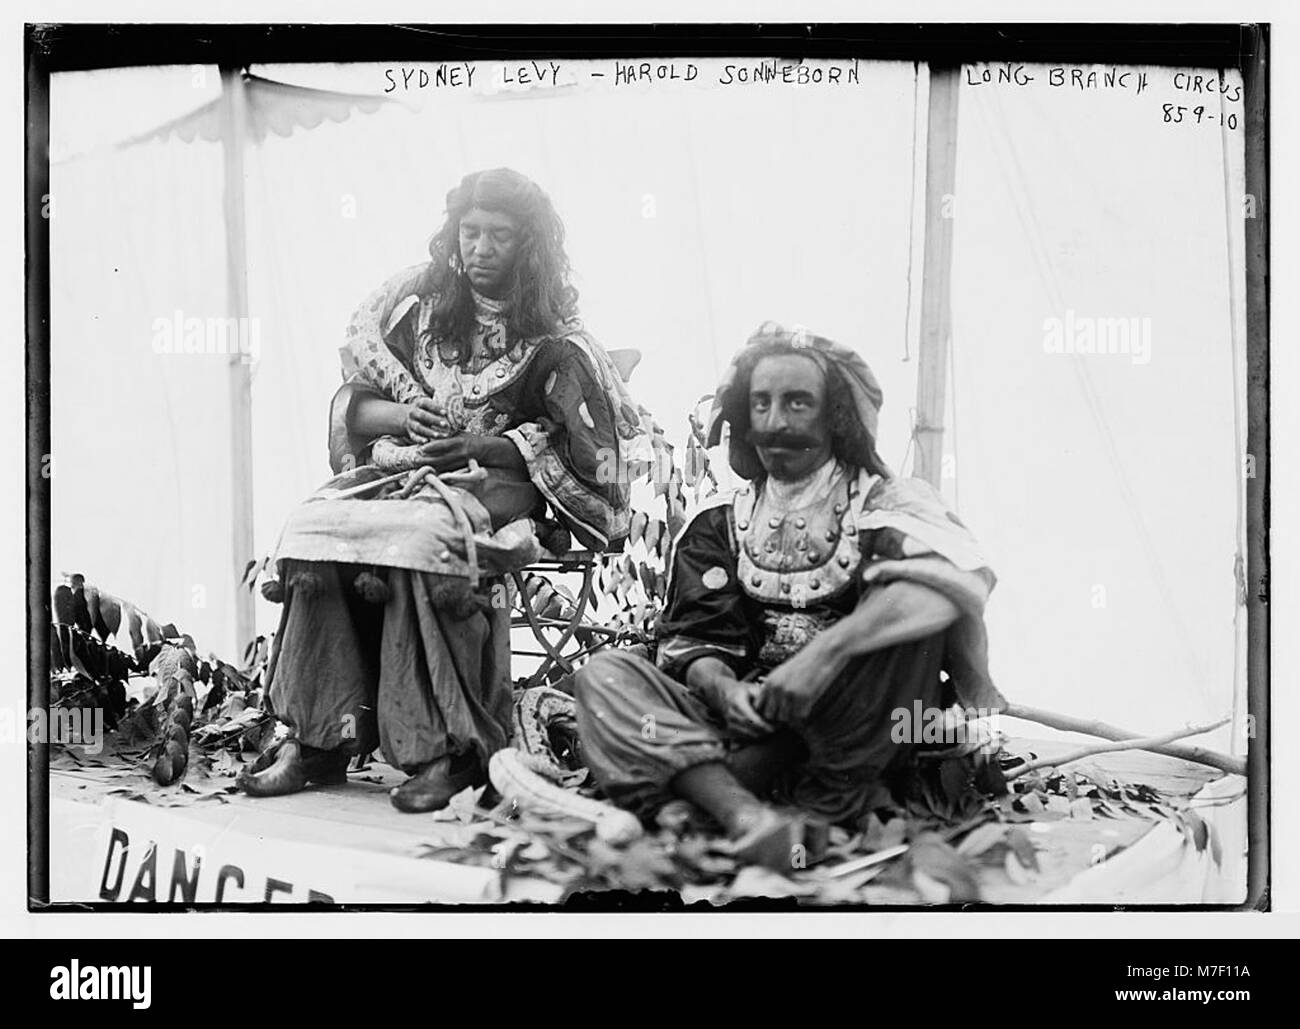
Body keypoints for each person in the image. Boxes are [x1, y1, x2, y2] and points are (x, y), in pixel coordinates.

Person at [240, 168, 648, 812]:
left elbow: (591, 456)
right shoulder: (421, 316)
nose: (480, 249)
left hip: (499, 487)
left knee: (424, 536)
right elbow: (354, 406)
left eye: (500, 237)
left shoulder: (556, 345)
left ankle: (448, 751)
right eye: (470, 232)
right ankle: (320, 740)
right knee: (313, 525)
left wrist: (488, 445)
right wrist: (403, 417)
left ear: (530, 247)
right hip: (405, 467)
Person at [573, 322, 1005, 870]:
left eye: (798, 403)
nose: (776, 422)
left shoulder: (889, 505)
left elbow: (955, 585)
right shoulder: (718, 523)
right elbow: (695, 639)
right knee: (606, 675)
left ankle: (717, 796)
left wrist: (824, 658)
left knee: (910, 627)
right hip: (749, 717)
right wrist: (727, 691)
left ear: (835, 415)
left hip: (858, 719)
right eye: (762, 404)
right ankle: (747, 815)